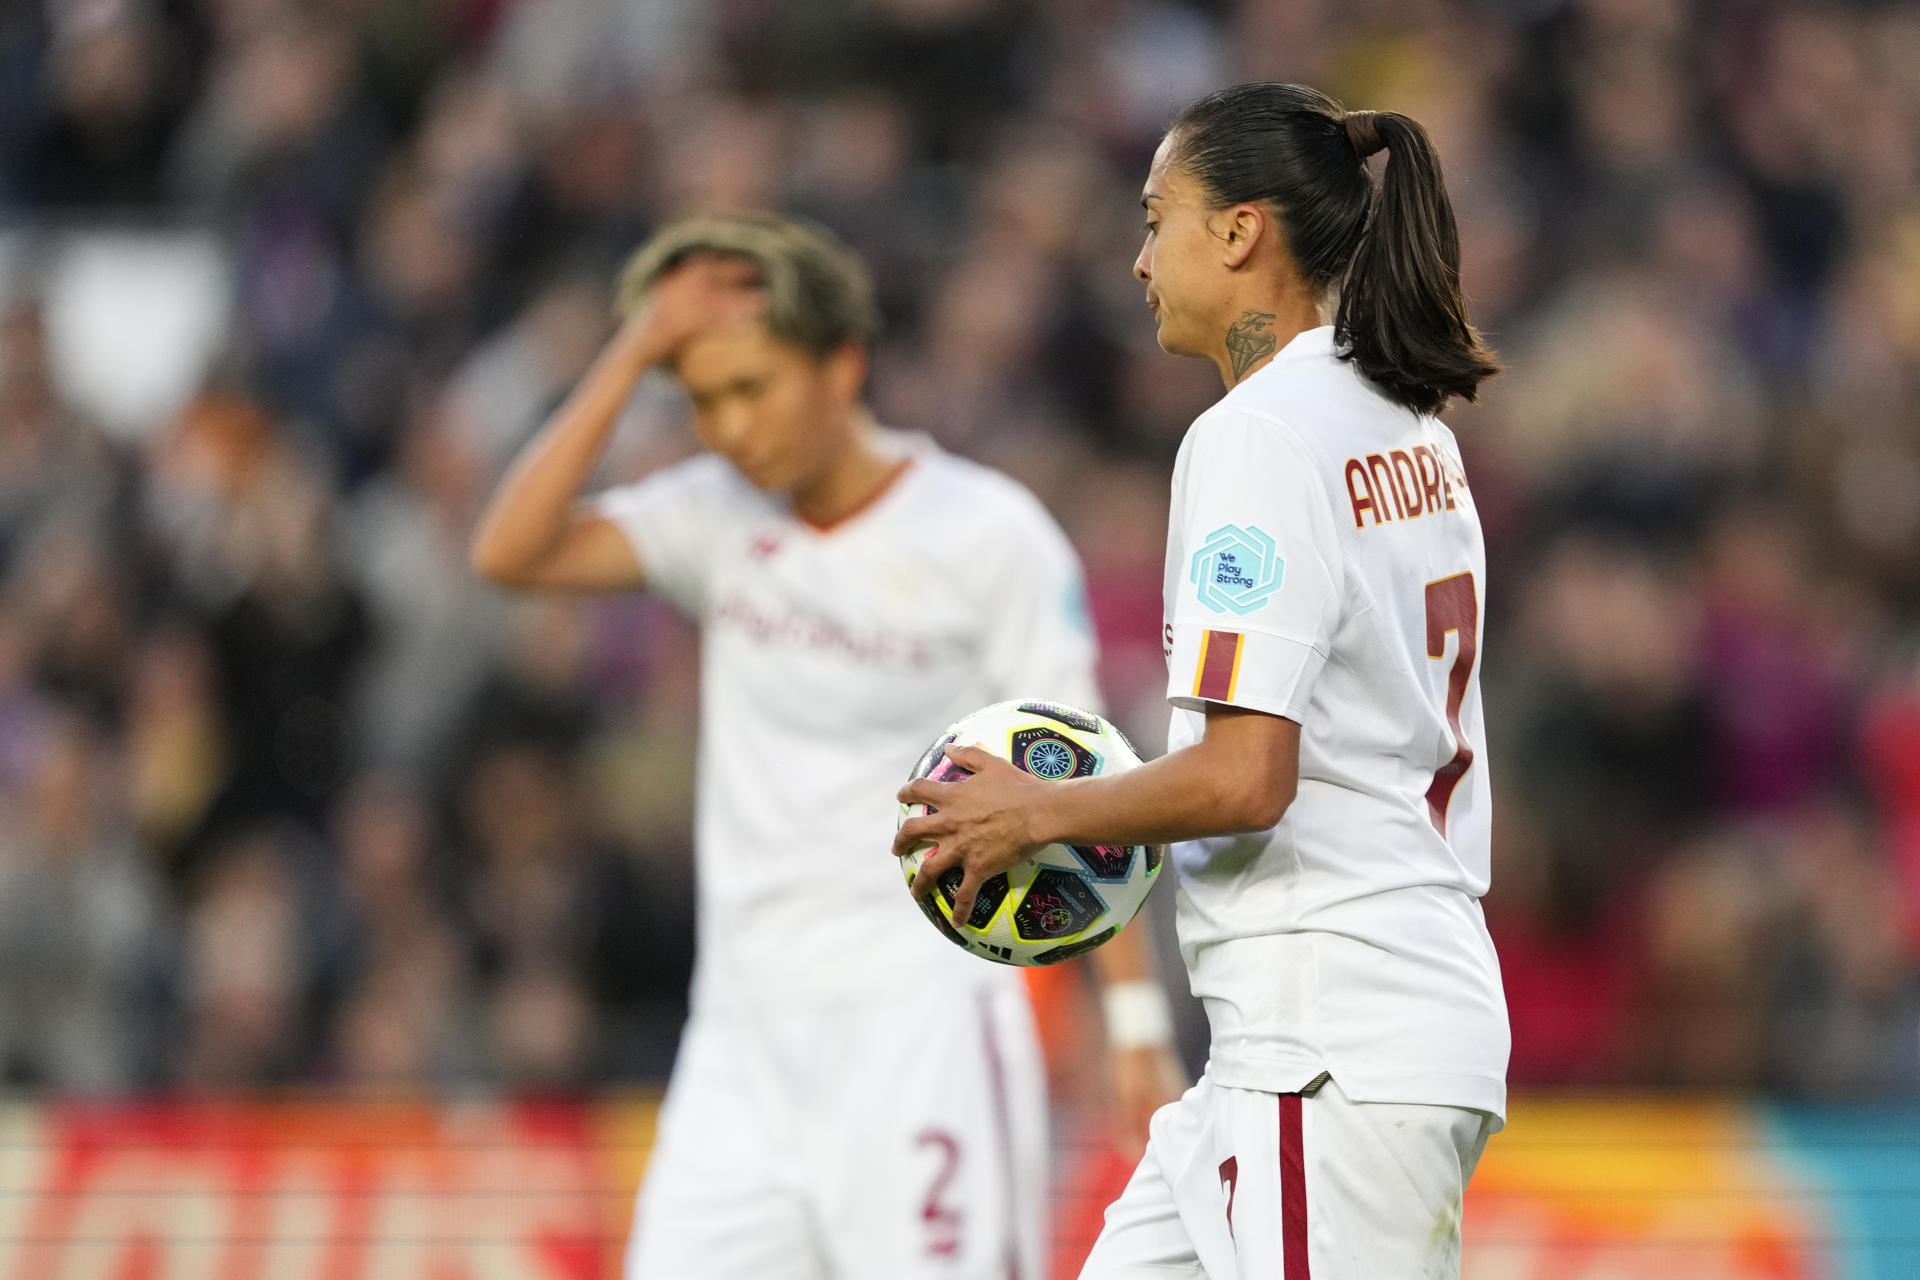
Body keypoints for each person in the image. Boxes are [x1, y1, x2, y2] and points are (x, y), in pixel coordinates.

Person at [469, 212, 1185, 1280]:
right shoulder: (715, 514)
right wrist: (631, 353)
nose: (729, 427)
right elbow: (509, 549)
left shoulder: (985, 534)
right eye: (703, 397)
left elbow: (1088, 781)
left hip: (926, 1023)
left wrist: (1131, 1017)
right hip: (740, 1036)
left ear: (842, 363)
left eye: (752, 387)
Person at [895, 83, 1510, 1280]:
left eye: (1155, 216)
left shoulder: (1256, 435)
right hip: (1329, 1028)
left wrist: (1036, 810)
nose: (1137, 259)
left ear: (1239, 231)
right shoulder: (1409, 426)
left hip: (1329, 1030)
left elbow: (1245, 775)